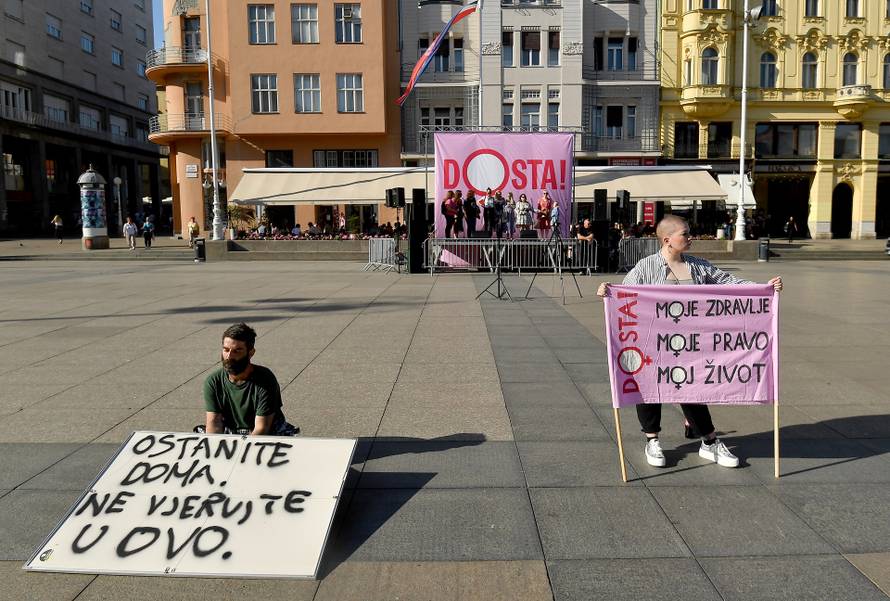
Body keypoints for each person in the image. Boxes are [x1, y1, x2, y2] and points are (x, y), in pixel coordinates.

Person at [596, 215, 783, 469]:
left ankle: (709, 439)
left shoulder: (698, 266)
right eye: (684, 234)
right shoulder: (645, 267)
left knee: (693, 387)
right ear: (667, 240)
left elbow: (729, 283)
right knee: (650, 386)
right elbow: (625, 294)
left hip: (693, 344)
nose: (690, 237)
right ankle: (652, 439)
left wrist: (764, 288)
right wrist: (607, 291)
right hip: (654, 343)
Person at [198, 323, 299, 436]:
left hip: (264, 433)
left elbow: (262, 428)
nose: (229, 356)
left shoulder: (265, 379)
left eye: (237, 351)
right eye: (226, 350)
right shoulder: (213, 381)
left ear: (251, 353)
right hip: (231, 432)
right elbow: (214, 423)